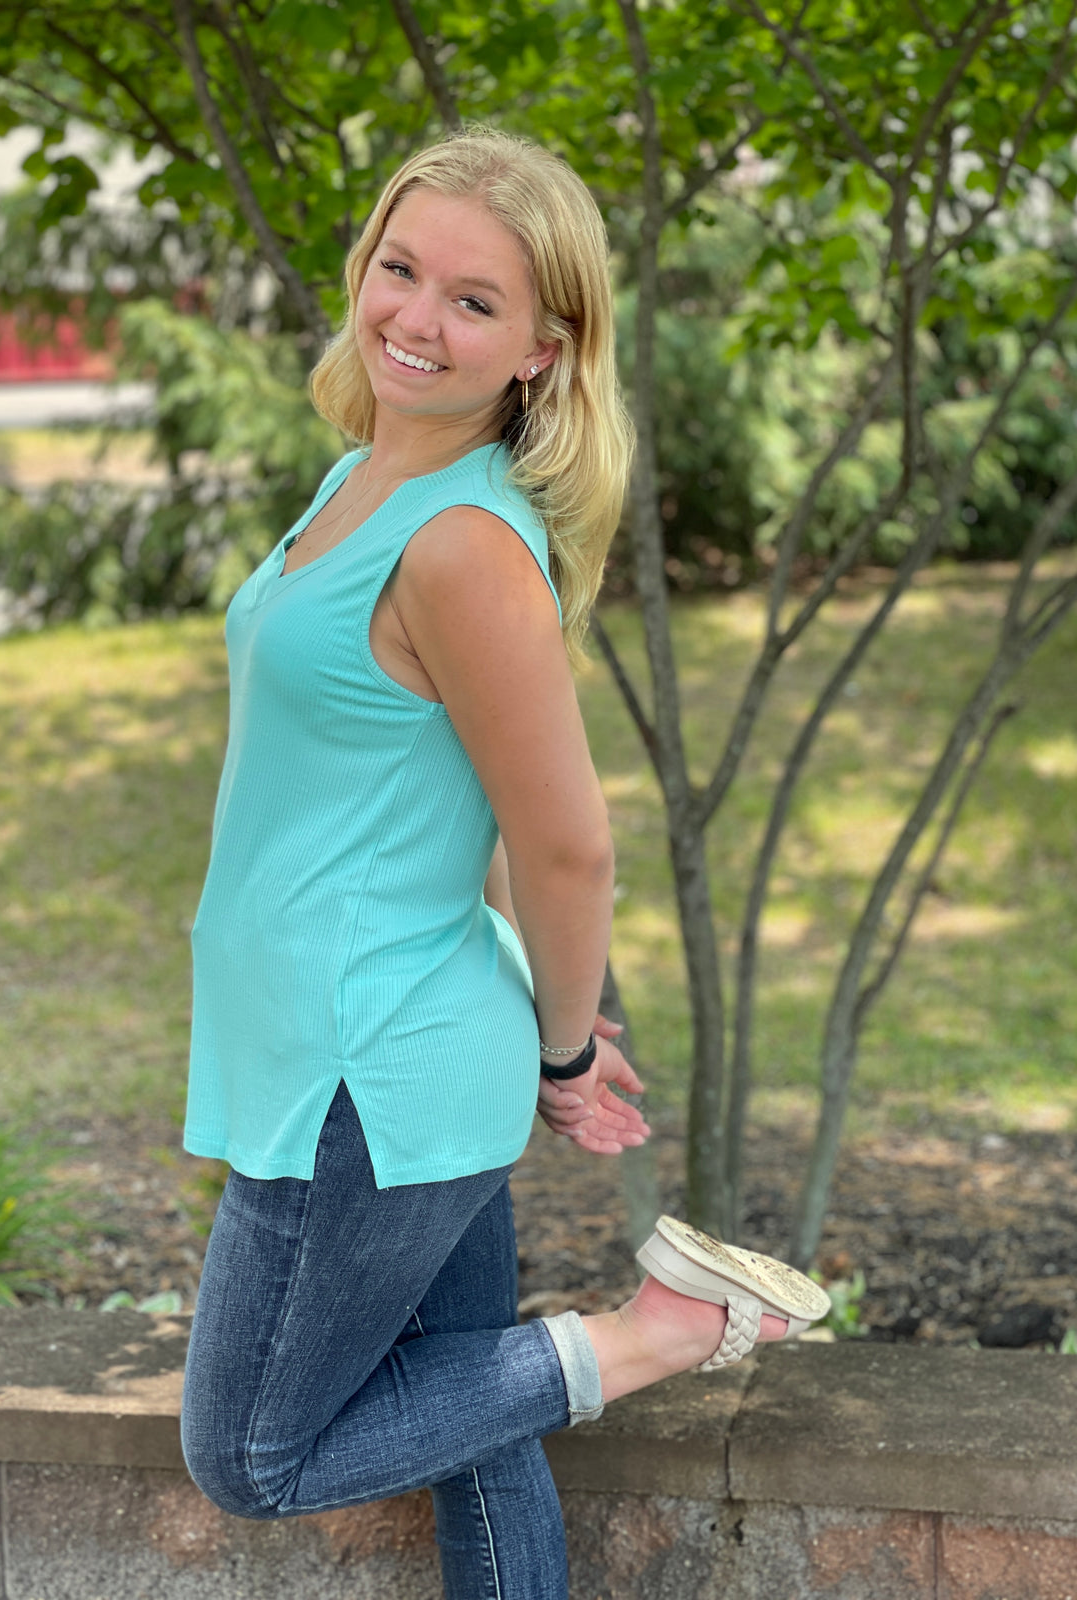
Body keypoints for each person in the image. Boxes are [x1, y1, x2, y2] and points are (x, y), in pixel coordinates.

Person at [179, 126, 827, 1600]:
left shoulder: (461, 544)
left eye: (475, 302)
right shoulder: (364, 475)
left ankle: (656, 1330)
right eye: (401, 271)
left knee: (253, 1457)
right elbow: (424, 793)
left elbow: (567, 842)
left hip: (366, 1069)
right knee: (477, 1423)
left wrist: (557, 1051)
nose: (418, 317)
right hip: (379, 1034)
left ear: (544, 346)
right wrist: (537, 1038)